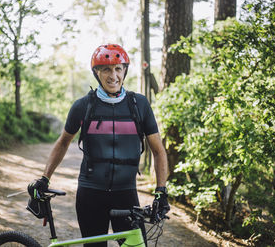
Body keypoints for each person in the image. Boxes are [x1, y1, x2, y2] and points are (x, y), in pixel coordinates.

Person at [28, 44, 169, 247]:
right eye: (106, 69)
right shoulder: (83, 106)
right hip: (90, 195)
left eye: (118, 68)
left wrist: (161, 191)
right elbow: (63, 143)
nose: (113, 75)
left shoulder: (139, 105)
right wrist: (44, 178)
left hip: (126, 194)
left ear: (125, 71)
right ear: (96, 72)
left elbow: (158, 151)